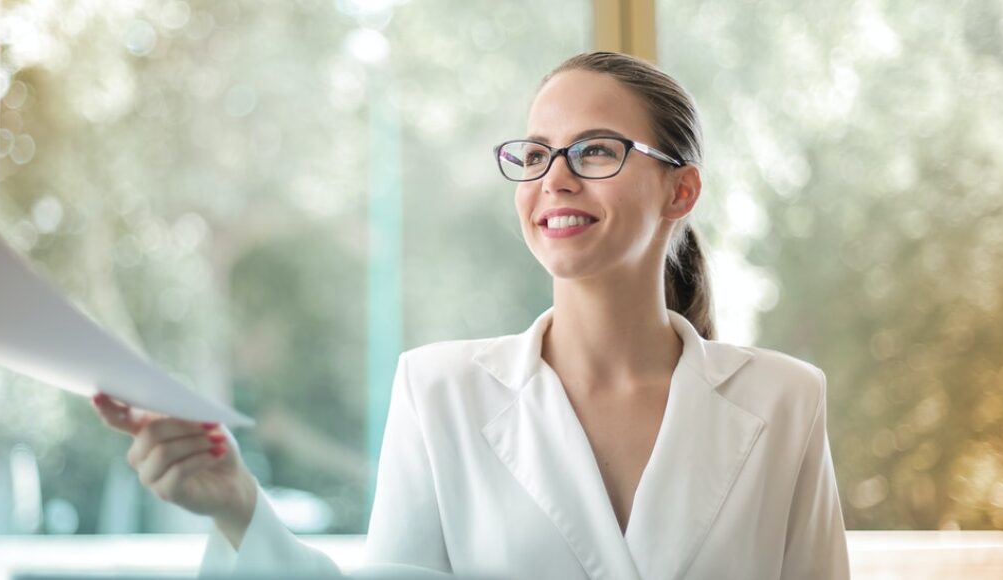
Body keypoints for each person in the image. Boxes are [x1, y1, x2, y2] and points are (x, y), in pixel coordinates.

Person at [91, 52, 850, 579]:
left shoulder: (784, 399)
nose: (555, 179)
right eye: (536, 154)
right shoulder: (438, 391)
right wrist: (239, 510)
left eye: (594, 151)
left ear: (680, 191)